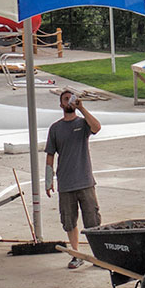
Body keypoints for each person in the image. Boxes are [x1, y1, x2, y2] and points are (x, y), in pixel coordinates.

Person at [44, 89, 102, 267]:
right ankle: (76, 254)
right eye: (65, 99)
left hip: (85, 181)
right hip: (66, 184)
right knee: (69, 221)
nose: (69, 101)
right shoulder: (55, 128)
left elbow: (97, 127)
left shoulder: (83, 123)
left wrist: (82, 109)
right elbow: (50, 155)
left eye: (71, 99)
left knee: (92, 220)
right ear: (61, 104)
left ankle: (99, 256)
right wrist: (48, 180)